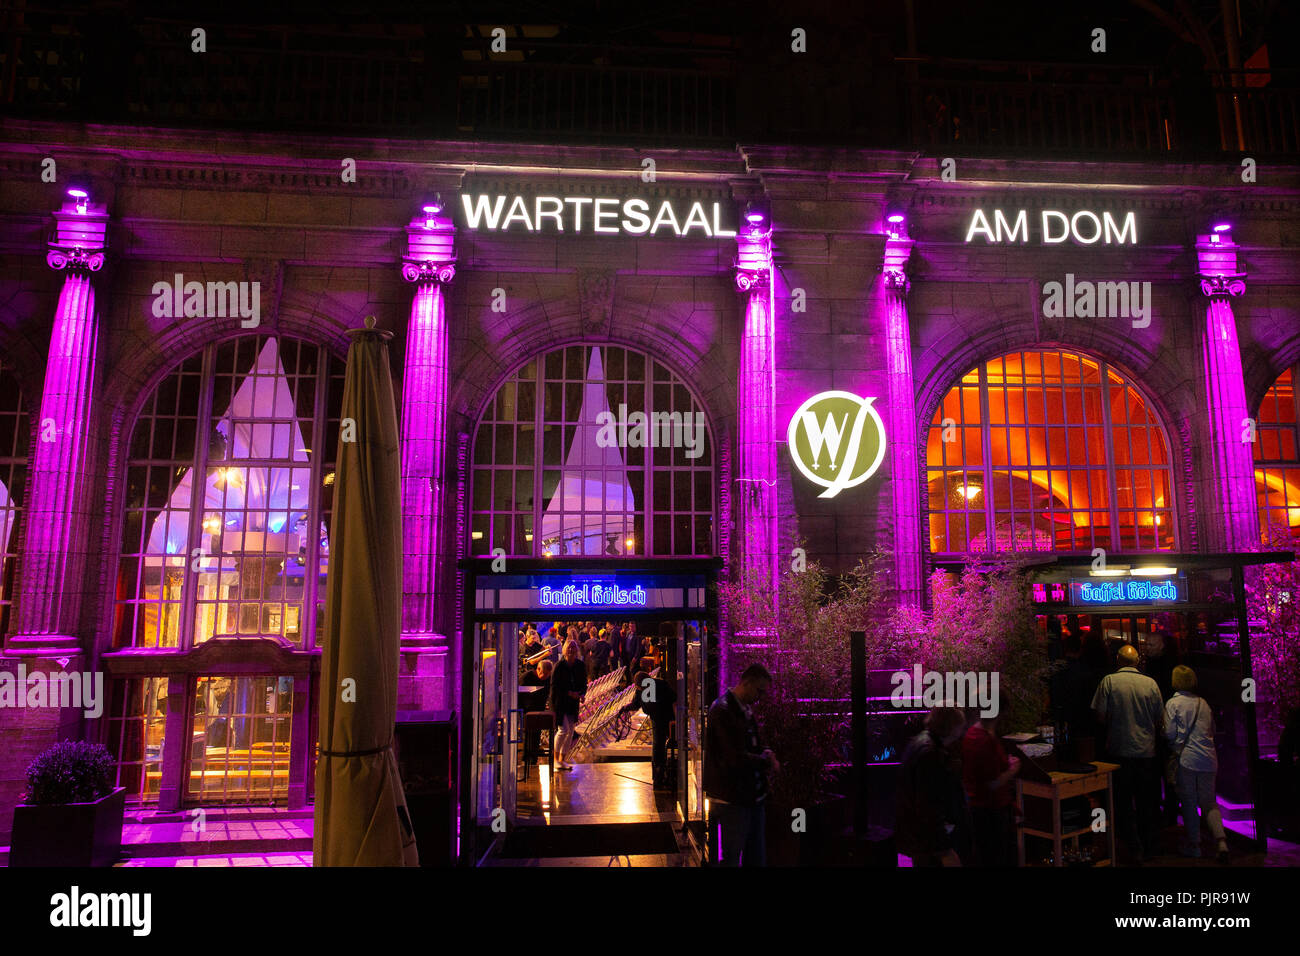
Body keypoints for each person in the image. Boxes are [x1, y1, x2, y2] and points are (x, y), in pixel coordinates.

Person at [1092, 643, 1164, 863]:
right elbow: (1160, 719)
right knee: (1147, 802)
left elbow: (1100, 716)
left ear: (1118, 660)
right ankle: (1150, 845)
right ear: (1137, 662)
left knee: (1122, 803)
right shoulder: (1150, 684)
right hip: (1146, 752)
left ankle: (1132, 846)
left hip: (1119, 750)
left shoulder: (1109, 682)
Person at [704, 663, 777, 866]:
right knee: (735, 856)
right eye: (759, 690)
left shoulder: (737, 708)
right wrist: (764, 760)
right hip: (733, 798)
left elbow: (745, 748)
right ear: (746, 683)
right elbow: (733, 757)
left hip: (744, 797)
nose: (760, 697)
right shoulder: (723, 710)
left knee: (750, 855)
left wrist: (764, 754)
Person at [1165, 665, 1228, 863]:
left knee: (1190, 803)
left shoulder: (1173, 704)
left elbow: (1168, 733)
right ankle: (1221, 842)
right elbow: (1212, 728)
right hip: (1209, 758)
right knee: (1209, 802)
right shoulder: (1204, 703)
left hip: (1187, 760)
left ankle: (1194, 845)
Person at [896, 705, 969, 866]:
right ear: (952, 727)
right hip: (926, 841)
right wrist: (944, 849)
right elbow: (928, 806)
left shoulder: (920, 742)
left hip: (917, 836)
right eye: (960, 726)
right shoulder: (930, 754)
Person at [961, 697, 1020, 866]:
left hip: (977, 807)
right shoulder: (985, 740)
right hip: (992, 810)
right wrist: (1013, 769)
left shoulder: (972, 733)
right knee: (996, 857)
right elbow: (992, 783)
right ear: (999, 712)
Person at [625, 669, 678, 787]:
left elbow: (674, 700)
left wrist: (676, 720)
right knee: (658, 746)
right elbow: (636, 703)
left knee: (659, 746)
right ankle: (659, 774)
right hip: (658, 719)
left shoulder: (660, 685)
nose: (639, 689)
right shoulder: (646, 688)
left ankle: (660, 773)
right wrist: (625, 708)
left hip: (665, 718)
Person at [549, 639, 587, 771]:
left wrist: (582, 694)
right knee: (563, 730)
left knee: (570, 732)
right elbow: (555, 686)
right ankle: (554, 759)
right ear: (565, 649)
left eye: (573, 648)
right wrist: (569, 693)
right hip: (560, 702)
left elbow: (583, 684)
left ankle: (562, 759)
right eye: (569, 648)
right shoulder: (559, 666)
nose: (571, 650)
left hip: (573, 703)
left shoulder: (580, 665)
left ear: (576, 650)